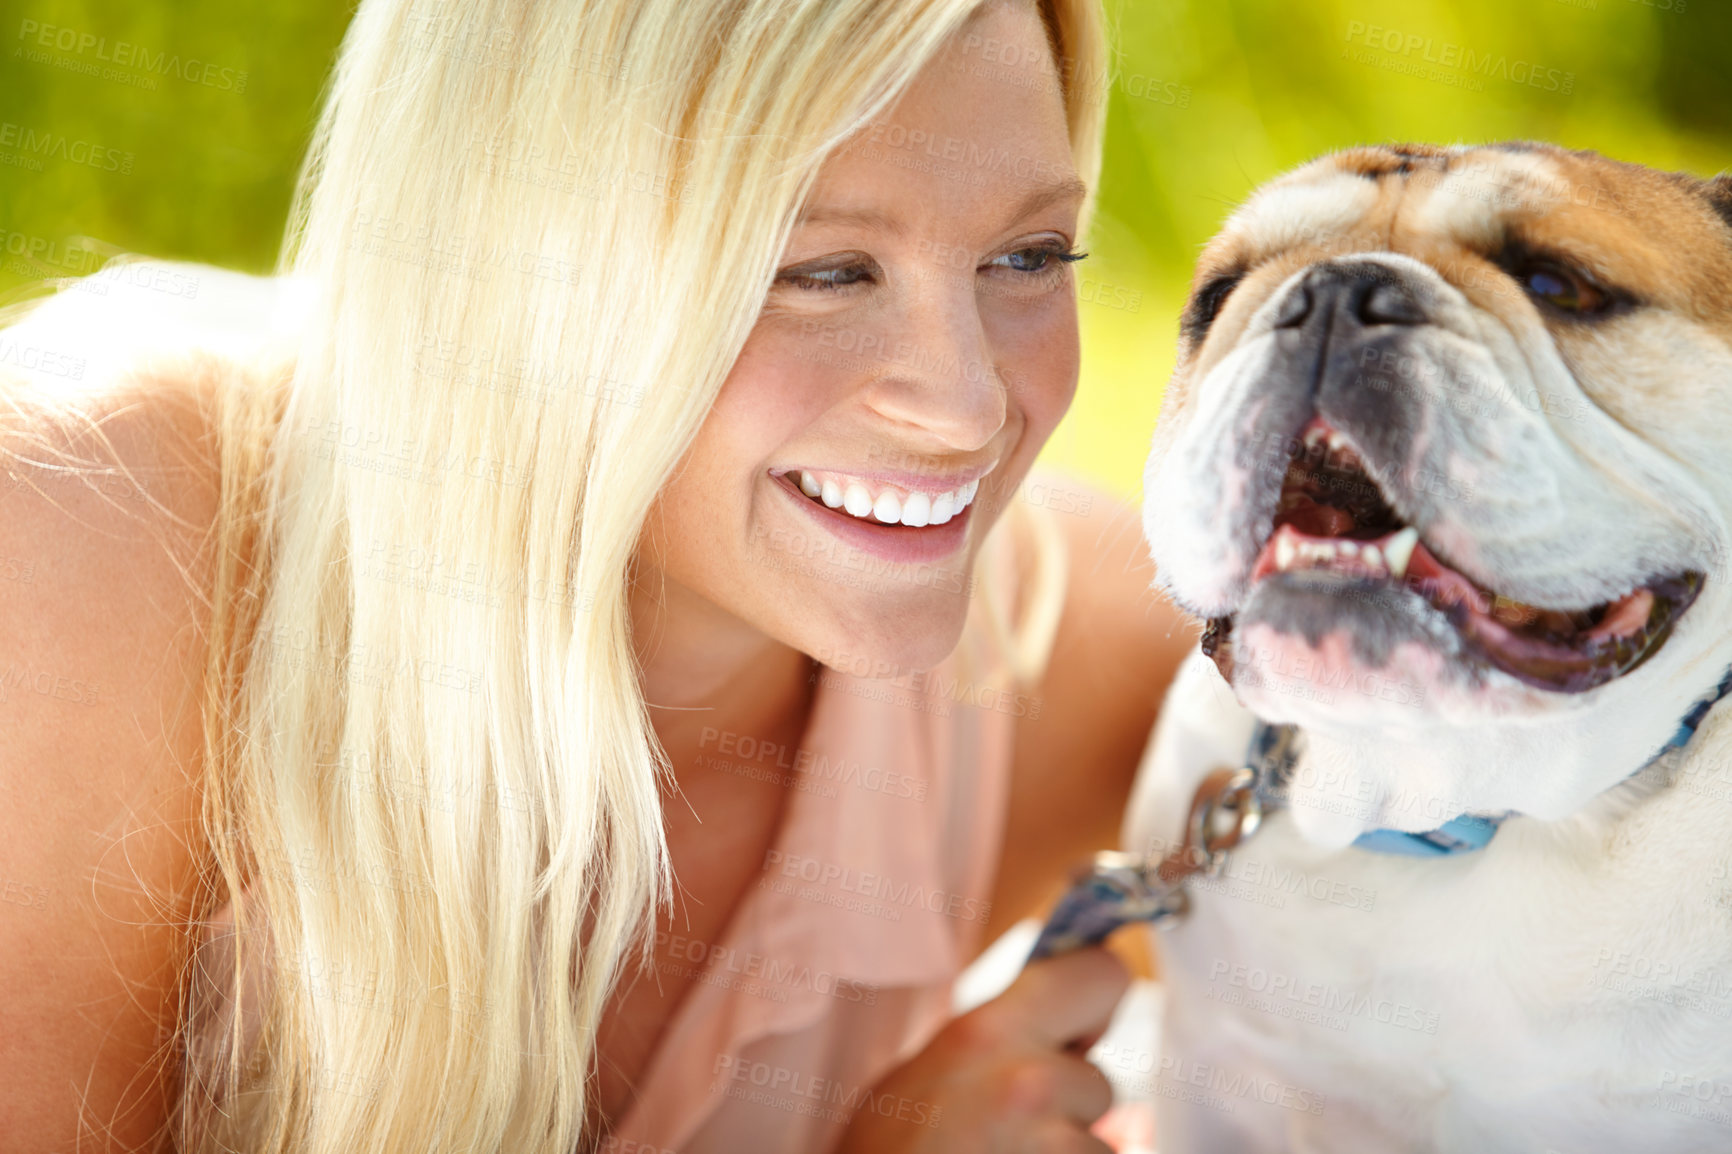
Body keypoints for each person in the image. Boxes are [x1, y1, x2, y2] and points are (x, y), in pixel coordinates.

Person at [0, 0, 1193, 1150]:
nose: (967, 406)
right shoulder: (84, 539)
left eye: (1029, 254)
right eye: (823, 271)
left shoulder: (1064, 651)